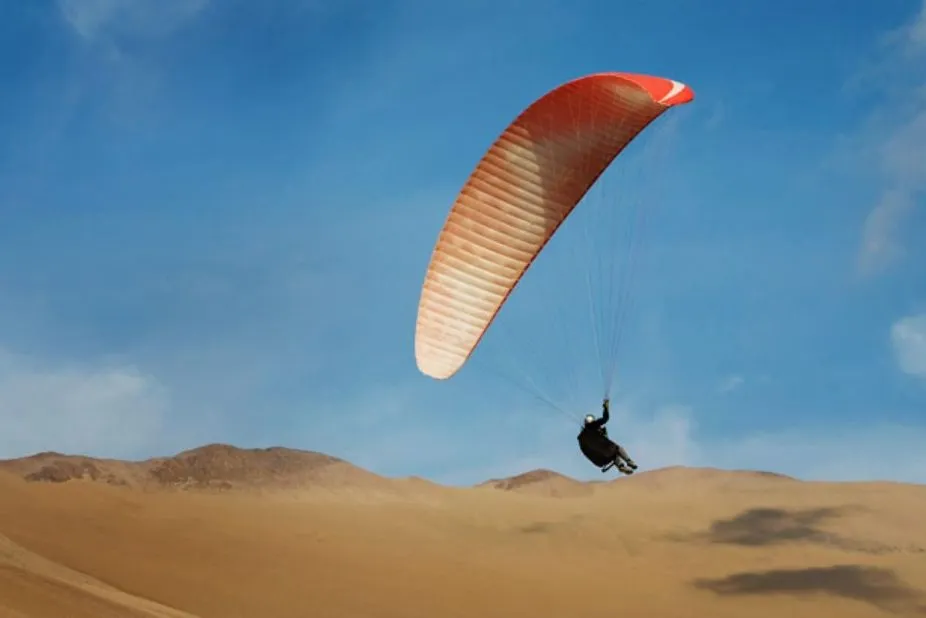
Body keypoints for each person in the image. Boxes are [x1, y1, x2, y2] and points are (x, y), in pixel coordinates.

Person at [578, 398, 638, 474]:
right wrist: (606, 407)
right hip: (603, 453)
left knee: (613, 454)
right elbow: (605, 418)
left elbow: (584, 450)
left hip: (599, 459)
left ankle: (621, 466)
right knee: (617, 448)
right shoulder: (592, 427)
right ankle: (629, 461)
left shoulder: (582, 437)